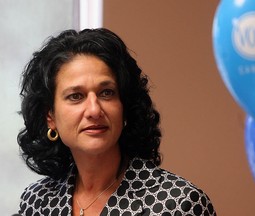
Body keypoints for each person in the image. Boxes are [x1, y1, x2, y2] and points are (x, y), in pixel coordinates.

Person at [17, 28, 217, 216]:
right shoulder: (37, 202)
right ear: (50, 116)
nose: (94, 110)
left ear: (124, 106)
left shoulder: (179, 204)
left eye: (106, 93)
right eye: (76, 96)